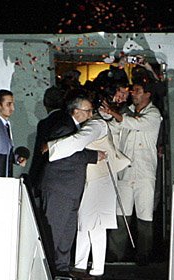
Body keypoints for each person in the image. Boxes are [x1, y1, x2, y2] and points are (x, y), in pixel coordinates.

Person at [47, 111, 130, 279]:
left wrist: (52, 147)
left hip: (100, 180)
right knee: (85, 223)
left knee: (96, 224)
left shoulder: (95, 125)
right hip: (93, 179)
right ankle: (81, 264)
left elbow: (79, 141)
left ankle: (96, 267)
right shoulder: (95, 124)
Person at [40, 94, 105, 278]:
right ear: (76, 111)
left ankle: (61, 268)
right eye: (88, 111)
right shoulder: (64, 128)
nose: (91, 115)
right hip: (59, 188)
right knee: (55, 230)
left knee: (66, 232)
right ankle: (49, 268)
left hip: (70, 189)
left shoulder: (74, 129)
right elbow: (66, 153)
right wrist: (93, 156)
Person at [100, 80, 162, 265]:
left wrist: (113, 113)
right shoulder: (126, 112)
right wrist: (107, 116)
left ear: (147, 94)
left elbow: (135, 124)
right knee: (121, 215)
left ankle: (144, 255)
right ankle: (115, 254)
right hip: (125, 172)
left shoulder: (153, 114)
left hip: (144, 173)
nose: (133, 94)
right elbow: (116, 127)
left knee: (145, 216)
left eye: (137, 91)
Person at [28, 86, 65, 198]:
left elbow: (39, 154)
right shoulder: (69, 120)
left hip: (49, 177)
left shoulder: (45, 124)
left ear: (45, 103)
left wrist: (33, 179)